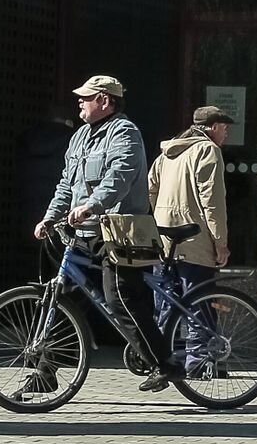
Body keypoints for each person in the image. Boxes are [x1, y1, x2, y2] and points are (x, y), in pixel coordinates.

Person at [34, 74, 179, 393]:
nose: (80, 102)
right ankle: (45, 372)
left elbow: (119, 178)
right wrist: (50, 217)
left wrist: (91, 206)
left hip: (118, 232)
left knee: (121, 298)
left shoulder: (124, 133)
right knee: (63, 297)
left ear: (105, 101)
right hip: (83, 232)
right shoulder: (79, 137)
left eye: (86, 97)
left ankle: (164, 363)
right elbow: (66, 184)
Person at [149, 105, 233, 376]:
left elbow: (151, 188)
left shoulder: (168, 152)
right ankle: (199, 361)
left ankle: (161, 359)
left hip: (164, 238)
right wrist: (220, 242)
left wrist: (160, 216)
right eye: (224, 127)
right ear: (212, 127)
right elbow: (212, 201)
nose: (226, 133)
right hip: (194, 238)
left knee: (167, 303)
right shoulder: (207, 151)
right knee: (200, 302)